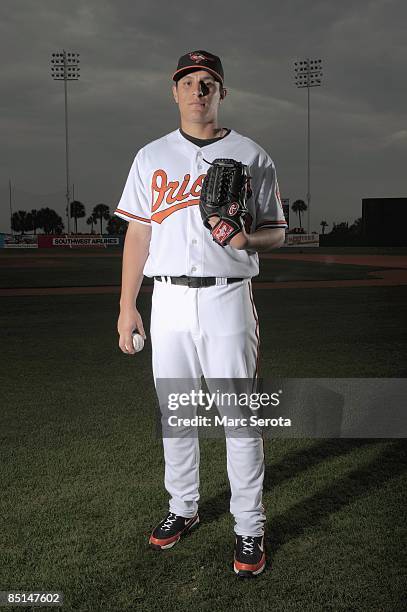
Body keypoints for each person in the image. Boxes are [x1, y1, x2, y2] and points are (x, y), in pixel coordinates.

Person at [114, 50, 287, 578]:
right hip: (166, 300)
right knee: (178, 416)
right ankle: (183, 508)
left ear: (221, 92)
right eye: (188, 82)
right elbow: (139, 233)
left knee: (239, 418)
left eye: (208, 82)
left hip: (227, 297)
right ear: (175, 92)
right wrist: (128, 306)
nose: (198, 90)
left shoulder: (252, 154)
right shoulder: (151, 156)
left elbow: (277, 231)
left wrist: (247, 236)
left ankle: (249, 526)